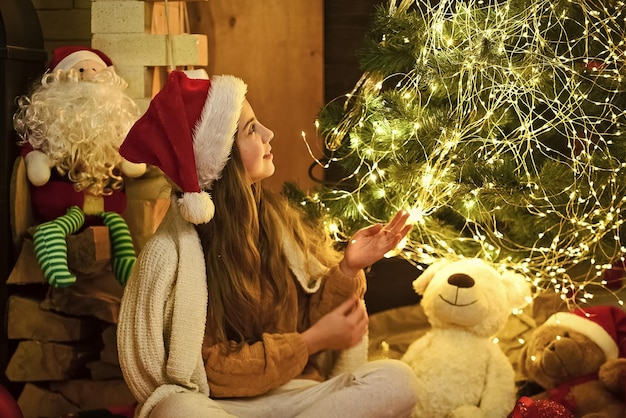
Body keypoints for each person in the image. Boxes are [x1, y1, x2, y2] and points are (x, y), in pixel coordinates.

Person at [117, 70, 419, 418]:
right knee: (176, 412)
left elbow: (308, 321)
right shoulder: (177, 253)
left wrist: (349, 267)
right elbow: (212, 370)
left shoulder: (276, 224)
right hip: (215, 404)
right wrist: (311, 342)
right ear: (222, 159)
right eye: (251, 129)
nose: (268, 133)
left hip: (294, 395)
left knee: (398, 380)